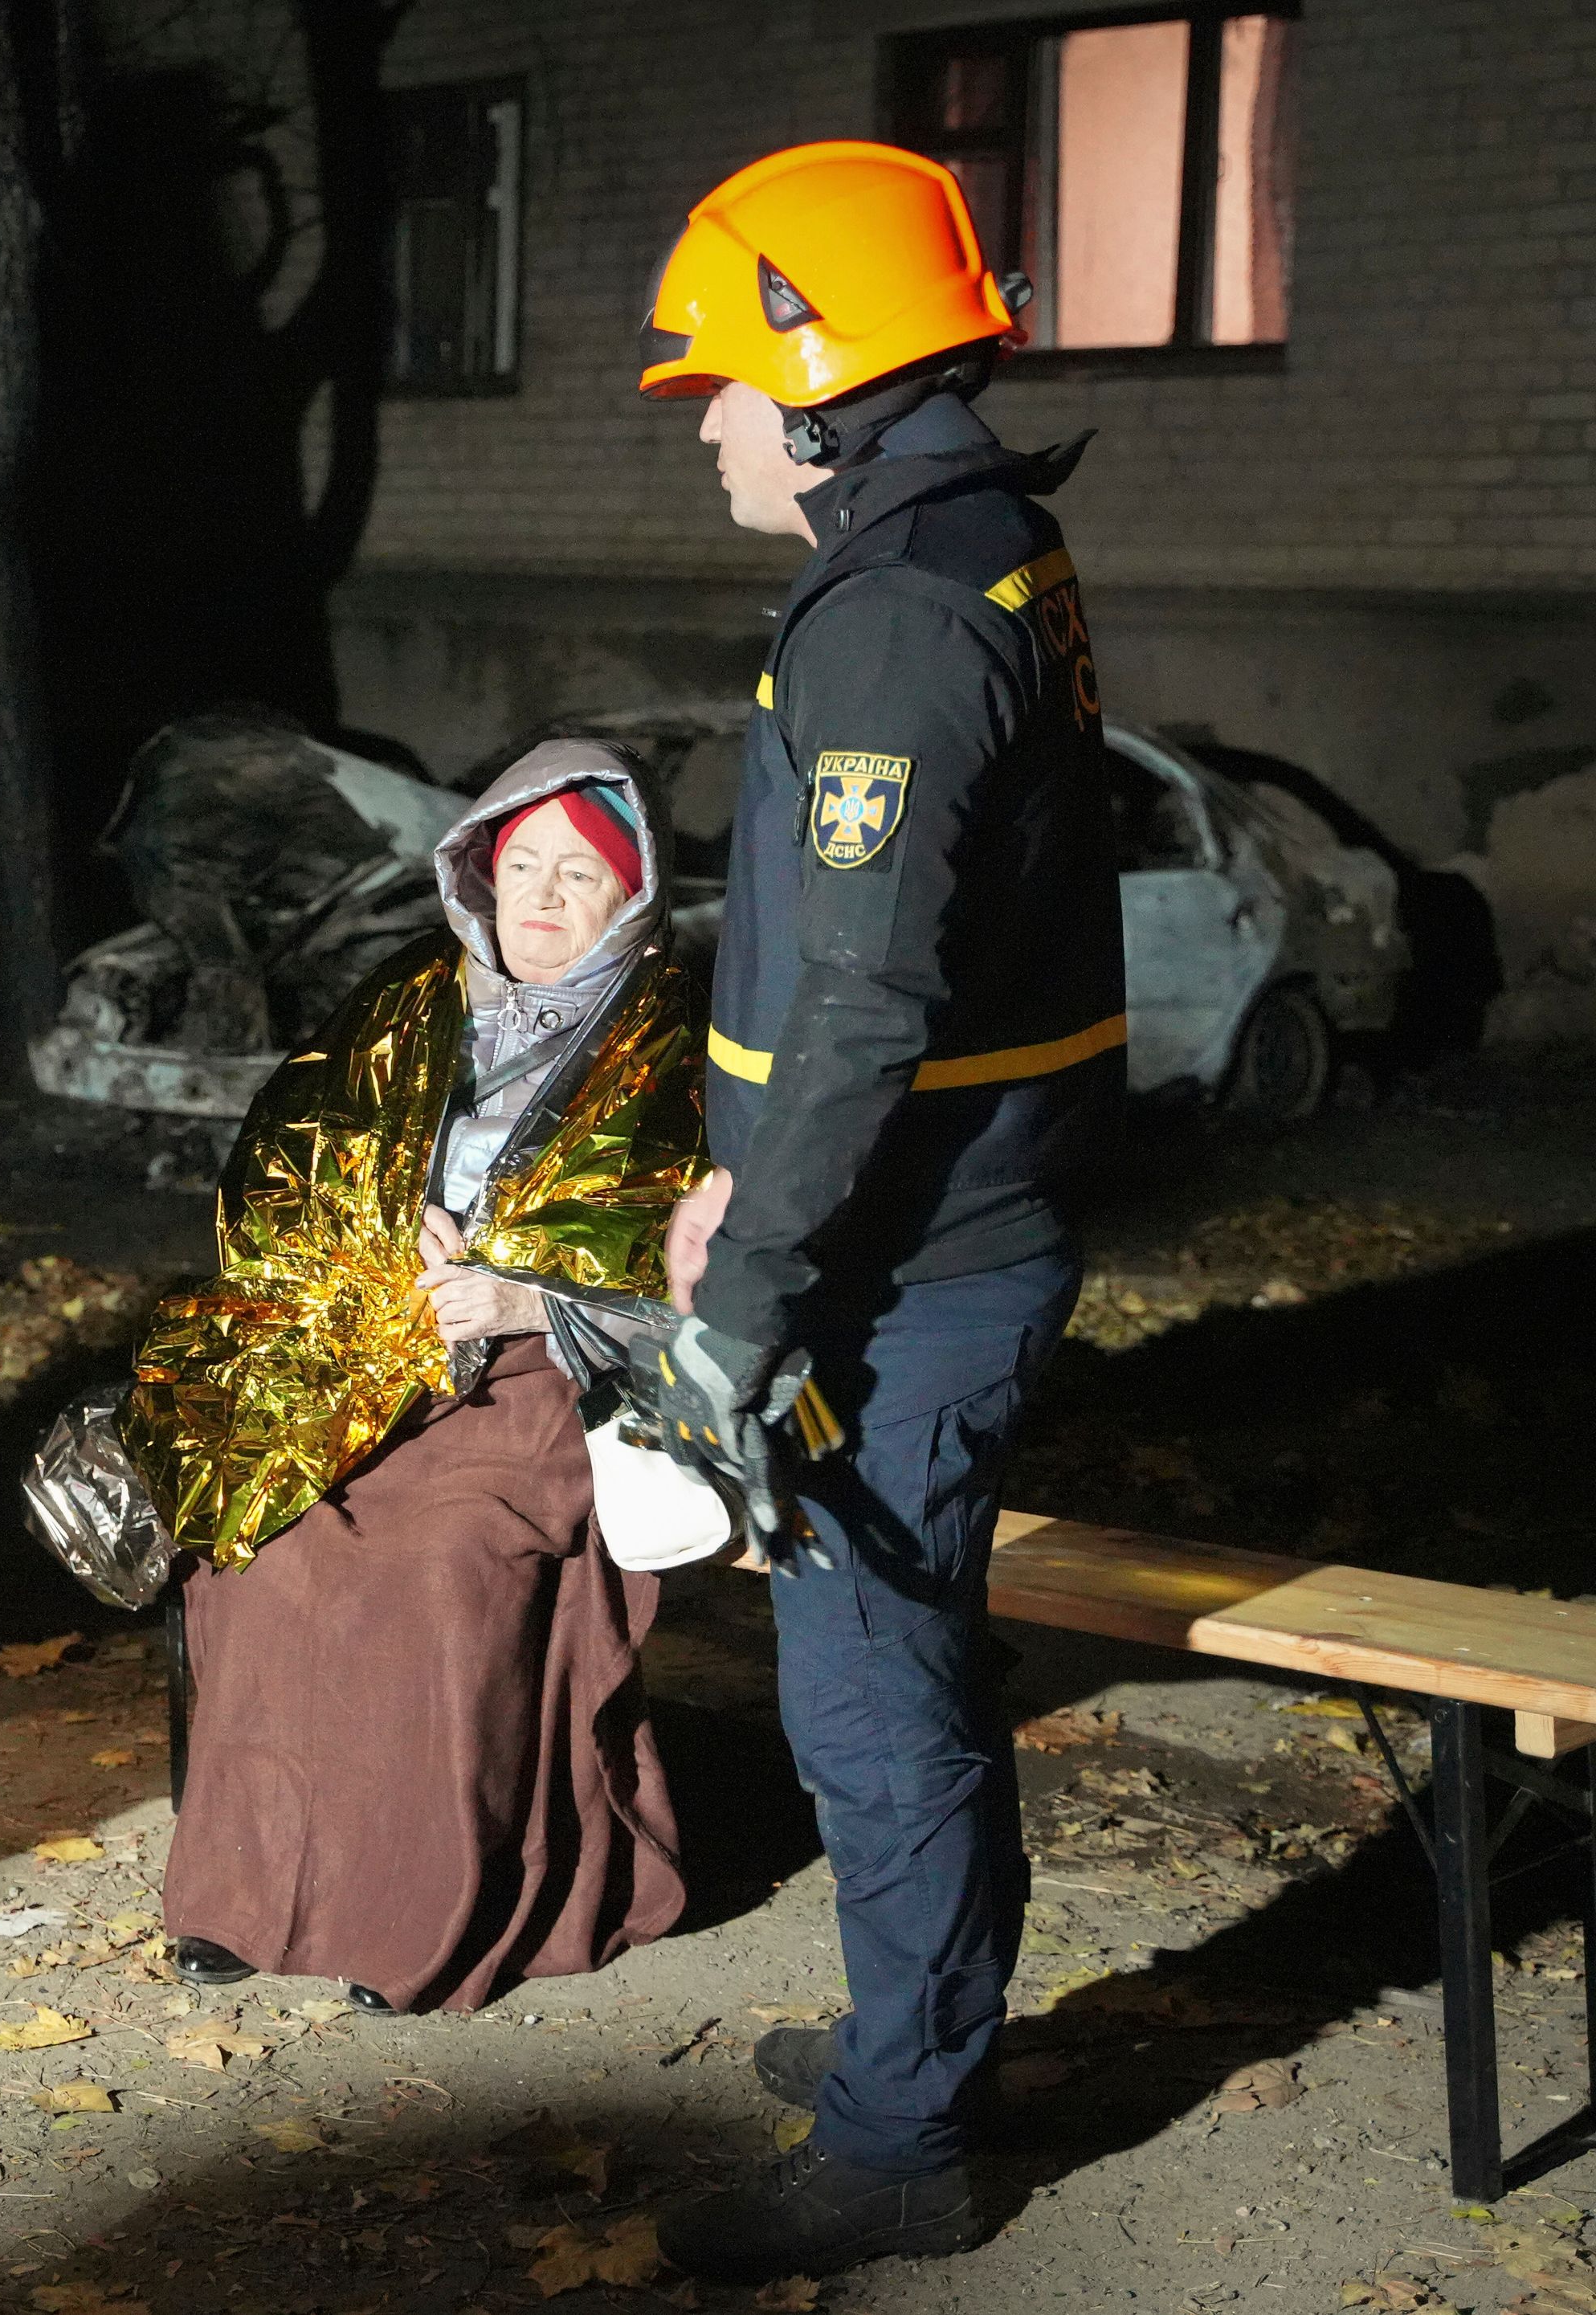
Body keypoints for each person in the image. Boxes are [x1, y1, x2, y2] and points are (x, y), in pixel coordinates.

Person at [631, 143, 1125, 2280]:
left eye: (732, 384)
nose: (714, 420)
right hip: (922, 1229)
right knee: (885, 1675)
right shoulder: (972, 549)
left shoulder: (909, 611)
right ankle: (913, 2039)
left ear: (827, 386)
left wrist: (742, 1294)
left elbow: (862, 1000)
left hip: (899, 1266)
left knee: (872, 1697)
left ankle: (908, 2139)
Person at [120, 735, 709, 2015]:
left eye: (581, 877)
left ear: (633, 898)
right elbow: (288, 1175)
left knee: (438, 1568)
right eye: (524, 865)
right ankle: (253, 1895)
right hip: (367, 1360)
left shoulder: (674, 1040)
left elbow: (703, 1262)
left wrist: (526, 1294)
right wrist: (374, 1249)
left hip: (552, 1380)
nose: (545, 897)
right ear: (478, 874)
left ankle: (425, 1919)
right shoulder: (408, 1002)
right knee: (261, 1540)